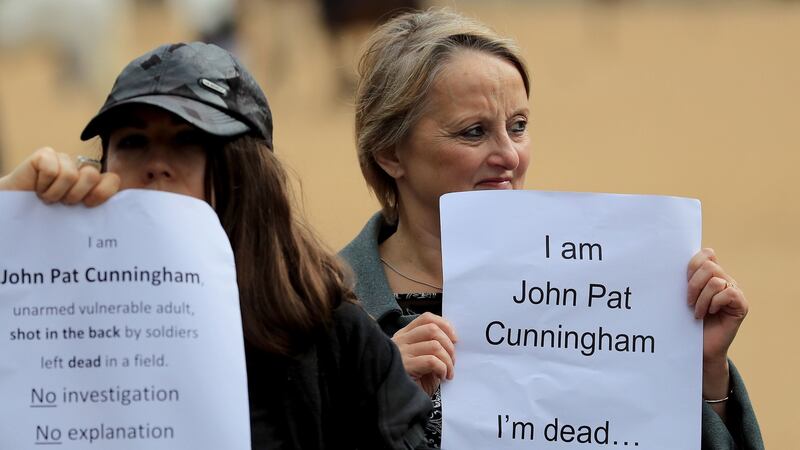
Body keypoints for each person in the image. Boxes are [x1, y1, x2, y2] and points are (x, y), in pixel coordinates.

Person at [339, 9, 763, 449]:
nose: (508, 154)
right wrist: (372, 399)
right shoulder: (319, 309)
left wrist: (708, 374)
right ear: (390, 153)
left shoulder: (604, 290)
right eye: (473, 131)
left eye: (518, 127)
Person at [0, 41, 431, 449]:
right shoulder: (48, 312)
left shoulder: (331, 335)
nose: (156, 166)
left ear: (246, 172)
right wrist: (10, 223)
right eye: (132, 142)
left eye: (189, 140)